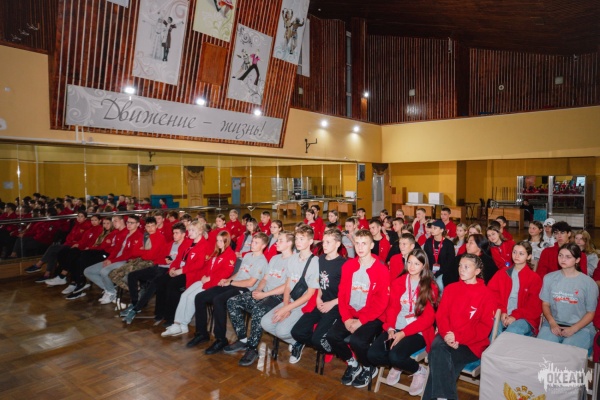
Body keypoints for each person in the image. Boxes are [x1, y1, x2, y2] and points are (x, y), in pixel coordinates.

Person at [422, 254, 496, 400]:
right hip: (446, 336)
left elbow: (484, 328)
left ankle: (439, 397)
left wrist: (458, 337)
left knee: (439, 357)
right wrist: (447, 335)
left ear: (477, 271)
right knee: (439, 351)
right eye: (460, 266)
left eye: (466, 267)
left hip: (471, 344)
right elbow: (441, 315)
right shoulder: (451, 288)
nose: (461, 269)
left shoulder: (487, 294)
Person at [367, 249, 438, 396]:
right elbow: (392, 308)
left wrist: (404, 333)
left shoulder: (430, 286)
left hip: (417, 331)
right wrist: (391, 328)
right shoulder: (399, 282)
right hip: (397, 327)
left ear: (423, 266)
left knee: (395, 356)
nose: (411, 266)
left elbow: (427, 319)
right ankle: (398, 365)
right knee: (373, 354)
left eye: (416, 264)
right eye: (409, 262)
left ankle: (418, 370)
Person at [326, 229, 390, 389]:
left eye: (364, 243)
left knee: (357, 341)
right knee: (332, 336)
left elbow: (381, 302)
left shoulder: (381, 269)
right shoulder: (348, 265)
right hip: (351, 313)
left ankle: (368, 367)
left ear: (371, 245)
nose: (360, 247)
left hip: (372, 316)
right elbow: (342, 294)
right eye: (357, 243)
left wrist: (361, 321)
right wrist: (347, 318)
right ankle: (353, 364)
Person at [188, 233, 268, 353]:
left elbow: (250, 282)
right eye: (252, 241)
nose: (252, 244)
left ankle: (221, 339)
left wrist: (231, 282)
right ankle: (202, 333)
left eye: (256, 243)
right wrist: (228, 280)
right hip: (234, 284)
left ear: (264, 246)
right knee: (200, 297)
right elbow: (239, 273)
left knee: (218, 300)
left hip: (245, 289)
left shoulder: (262, 261)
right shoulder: (247, 255)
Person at [224, 231, 294, 366]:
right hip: (264, 293)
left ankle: (252, 349)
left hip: (278, 297)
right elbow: (265, 279)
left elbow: (287, 286)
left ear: (289, 243)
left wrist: (264, 294)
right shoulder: (274, 258)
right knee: (233, 302)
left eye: (280, 240)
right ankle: (243, 340)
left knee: (258, 310)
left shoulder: (293, 261)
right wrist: (258, 290)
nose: (277, 243)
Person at [261, 225, 320, 363]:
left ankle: (298, 341)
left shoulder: (314, 262)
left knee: (281, 331)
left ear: (310, 241)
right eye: (297, 238)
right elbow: (288, 285)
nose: (298, 241)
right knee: (265, 323)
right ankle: (295, 341)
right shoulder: (293, 258)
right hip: (290, 300)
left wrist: (287, 309)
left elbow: (309, 294)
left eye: (302, 239)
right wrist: (285, 305)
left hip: (303, 303)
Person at [161, 231, 236, 336]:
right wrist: (204, 276)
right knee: (184, 295)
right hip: (205, 279)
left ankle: (184, 324)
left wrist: (209, 278)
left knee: (192, 297)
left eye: (221, 241)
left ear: (226, 241)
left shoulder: (230, 255)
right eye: (217, 240)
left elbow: (226, 272)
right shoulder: (216, 252)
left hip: (214, 282)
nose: (218, 243)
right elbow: (207, 267)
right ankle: (177, 323)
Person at [291, 229, 345, 362]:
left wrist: (331, 303)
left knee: (317, 339)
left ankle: (340, 351)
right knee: (297, 332)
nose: (324, 245)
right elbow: (320, 283)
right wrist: (318, 298)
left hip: (336, 306)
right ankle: (321, 344)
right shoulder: (320, 259)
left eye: (328, 242)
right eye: (323, 242)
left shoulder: (343, 264)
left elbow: (348, 293)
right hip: (321, 302)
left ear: (338, 244)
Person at [537, 243, 598, 350]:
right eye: (560, 255)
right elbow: (545, 304)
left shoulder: (589, 283)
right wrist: (552, 323)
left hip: (581, 327)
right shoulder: (549, 278)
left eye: (568, 257)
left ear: (577, 260)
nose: (563, 259)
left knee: (567, 350)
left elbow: (590, 313)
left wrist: (574, 328)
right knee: (542, 349)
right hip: (554, 323)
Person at [114, 222, 186, 307]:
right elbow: (138, 253)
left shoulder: (182, 244)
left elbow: (153, 255)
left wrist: (144, 251)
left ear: (183, 234)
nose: (174, 235)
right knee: (132, 275)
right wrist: (163, 260)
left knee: (155, 283)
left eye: (176, 233)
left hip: (167, 269)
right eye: (173, 233)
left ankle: (138, 307)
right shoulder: (169, 243)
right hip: (157, 265)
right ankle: (134, 302)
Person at [153, 221, 209, 327]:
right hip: (181, 270)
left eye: (192, 230)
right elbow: (179, 257)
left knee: (172, 285)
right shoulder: (188, 242)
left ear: (200, 231)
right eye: (189, 230)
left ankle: (171, 317)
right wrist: (172, 268)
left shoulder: (204, 245)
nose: (189, 232)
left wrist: (181, 270)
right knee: (161, 281)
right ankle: (161, 312)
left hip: (193, 274)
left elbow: (199, 265)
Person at [84, 215, 143, 304]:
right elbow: (116, 249)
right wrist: (109, 259)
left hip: (126, 261)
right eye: (128, 222)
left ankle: (111, 292)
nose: (129, 224)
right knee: (88, 271)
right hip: (116, 259)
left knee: (104, 271)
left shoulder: (139, 236)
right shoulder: (125, 234)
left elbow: (128, 255)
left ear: (138, 224)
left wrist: (112, 261)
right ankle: (108, 289)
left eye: (132, 223)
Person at [488, 241, 542, 336]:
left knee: (512, 331)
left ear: (528, 256)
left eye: (521, 253)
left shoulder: (534, 278)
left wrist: (514, 316)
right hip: (501, 313)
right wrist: (502, 311)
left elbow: (533, 306)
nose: (517, 256)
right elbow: (491, 294)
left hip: (524, 318)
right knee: (494, 329)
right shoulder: (502, 273)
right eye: (514, 252)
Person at [422, 220, 455, 291]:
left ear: (441, 230)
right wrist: (430, 271)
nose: (432, 230)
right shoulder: (428, 242)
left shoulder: (448, 244)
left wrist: (438, 273)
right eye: (431, 227)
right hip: (430, 270)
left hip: (443, 272)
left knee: (439, 285)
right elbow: (425, 258)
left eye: (435, 228)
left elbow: (450, 262)